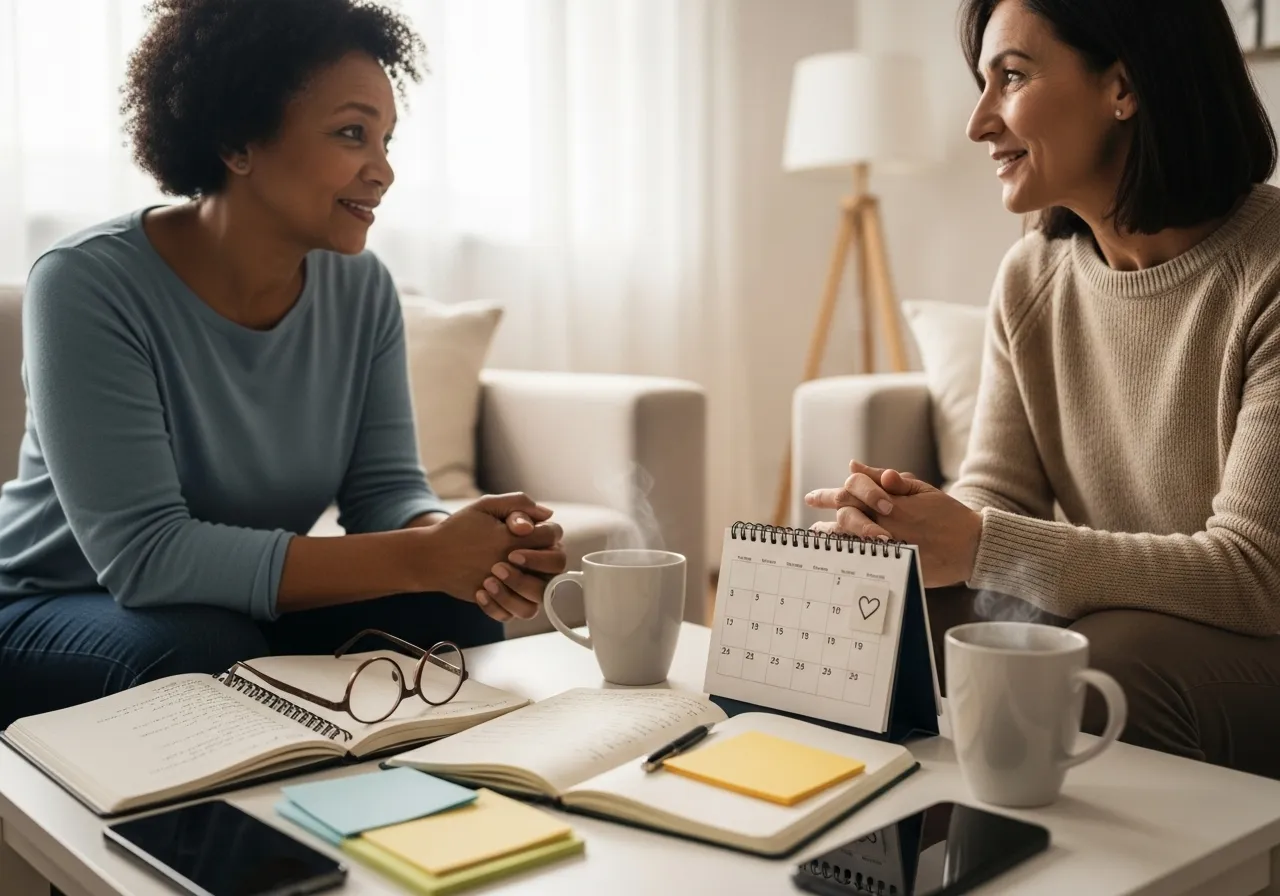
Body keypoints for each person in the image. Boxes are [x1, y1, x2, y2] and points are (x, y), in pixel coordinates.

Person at [0, 0, 566, 727]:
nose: (383, 169)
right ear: (239, 139)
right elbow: (148, 559)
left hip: (220, 610)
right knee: (200, 649)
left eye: (387, 139)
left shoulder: (363, 290)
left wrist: (469, 548)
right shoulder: (86, 283)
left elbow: (385, 493)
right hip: (48, 605)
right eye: (352, 133)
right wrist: (422, 558)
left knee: (443, 612)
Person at [806, 0, 1280, 778]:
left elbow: (1256, 575)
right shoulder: (1032, 275)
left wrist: (985, 545)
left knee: (1109, 664)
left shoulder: (1268, 273)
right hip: (1126, 620)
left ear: (1121, 87)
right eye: (981, 83)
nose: (978, 123)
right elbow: (998, 493)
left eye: (1012, 78)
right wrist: (909, 526)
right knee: (882, 612)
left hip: (1257, 642)